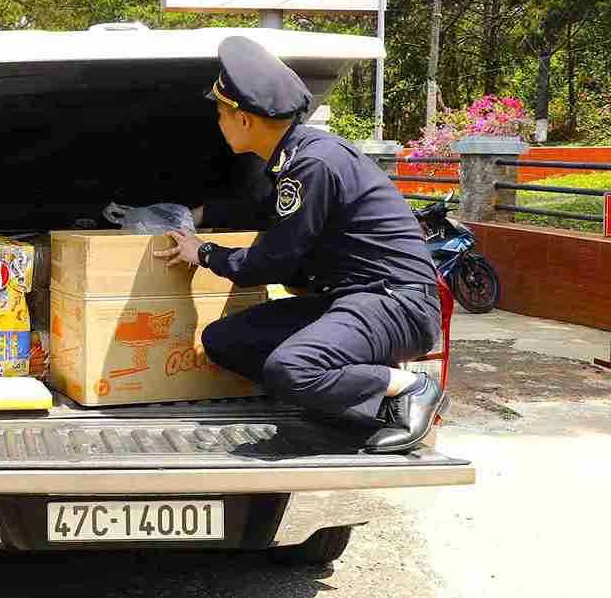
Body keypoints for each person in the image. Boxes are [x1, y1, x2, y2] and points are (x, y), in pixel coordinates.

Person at [156, 35, 445, 451]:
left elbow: (272, 262)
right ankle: (358, 400)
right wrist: (198, 215)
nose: (218, 124)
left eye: (220, 113)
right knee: (225, 341)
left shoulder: (311, 163)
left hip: (395, 302)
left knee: (291, 368)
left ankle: (411, 387)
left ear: (243, 119)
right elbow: (265, 212)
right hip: (354, 298)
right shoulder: (295, 158)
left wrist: (203, 252)